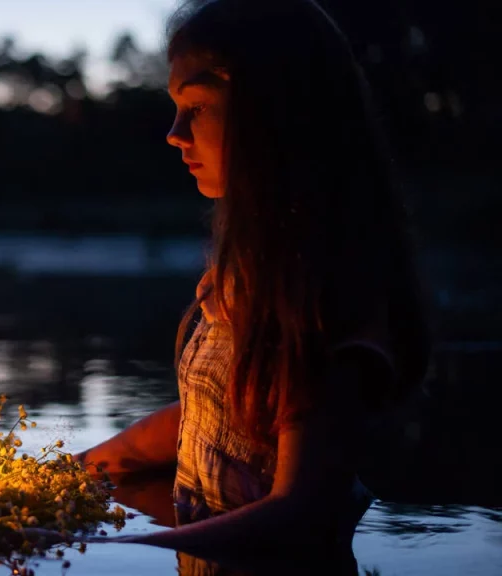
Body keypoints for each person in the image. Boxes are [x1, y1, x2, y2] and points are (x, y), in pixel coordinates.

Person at [69, 0, 430, 569]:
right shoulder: (245, 278)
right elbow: (214, 417)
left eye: (197, 105)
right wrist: (75, 471)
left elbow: (302, 510)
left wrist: (102, 545)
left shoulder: (326, 294)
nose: (173, 134)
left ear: (279, 113)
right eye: (175, 108)